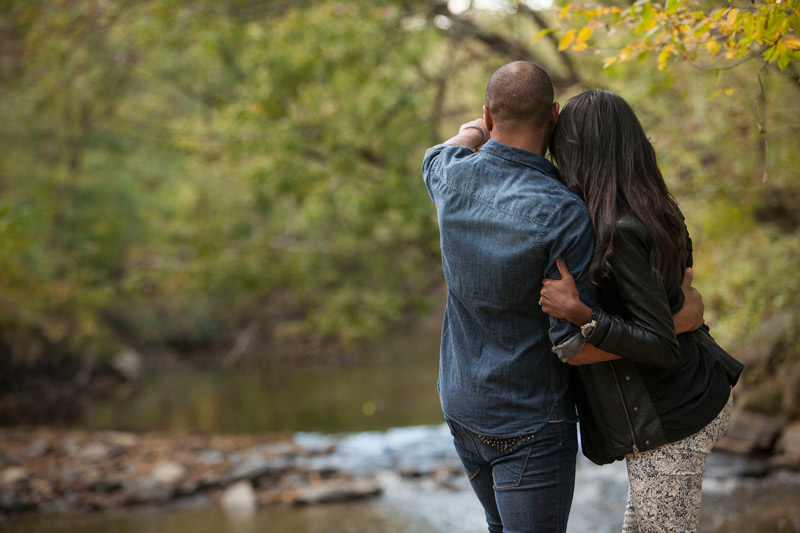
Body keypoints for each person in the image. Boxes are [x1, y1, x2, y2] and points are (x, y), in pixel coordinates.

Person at [420, 63, 702, 533]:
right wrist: (676, 321)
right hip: (528, 419)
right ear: (554, 116)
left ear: (489, 117)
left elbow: (441, 150)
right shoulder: (564, 212)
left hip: (461, 403)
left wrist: (475, 126)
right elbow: (571, 344)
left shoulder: (448, 175)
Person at [539, 89, 744, 532]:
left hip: (673, 417)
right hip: (692, 391)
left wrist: (582, 316)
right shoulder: (654, 204)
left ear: (576, 151)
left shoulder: (620, 230)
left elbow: (657, 344)